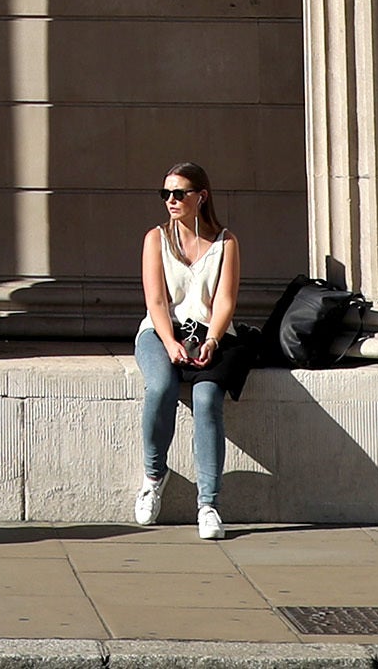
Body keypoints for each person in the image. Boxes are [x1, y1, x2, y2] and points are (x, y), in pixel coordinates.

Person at [131, 160, 239, 540]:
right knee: (160, 386)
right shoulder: (155, 239)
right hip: (159, 333)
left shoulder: (226, 242)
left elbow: (225, 302)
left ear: (201, 196)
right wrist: (170, 342)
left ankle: (208, 505)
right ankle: (153, 478)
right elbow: (156, 302)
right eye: (166, 194)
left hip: (210, 334)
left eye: (179, 193)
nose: (171, 200)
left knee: (208, 399)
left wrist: (212, 339)